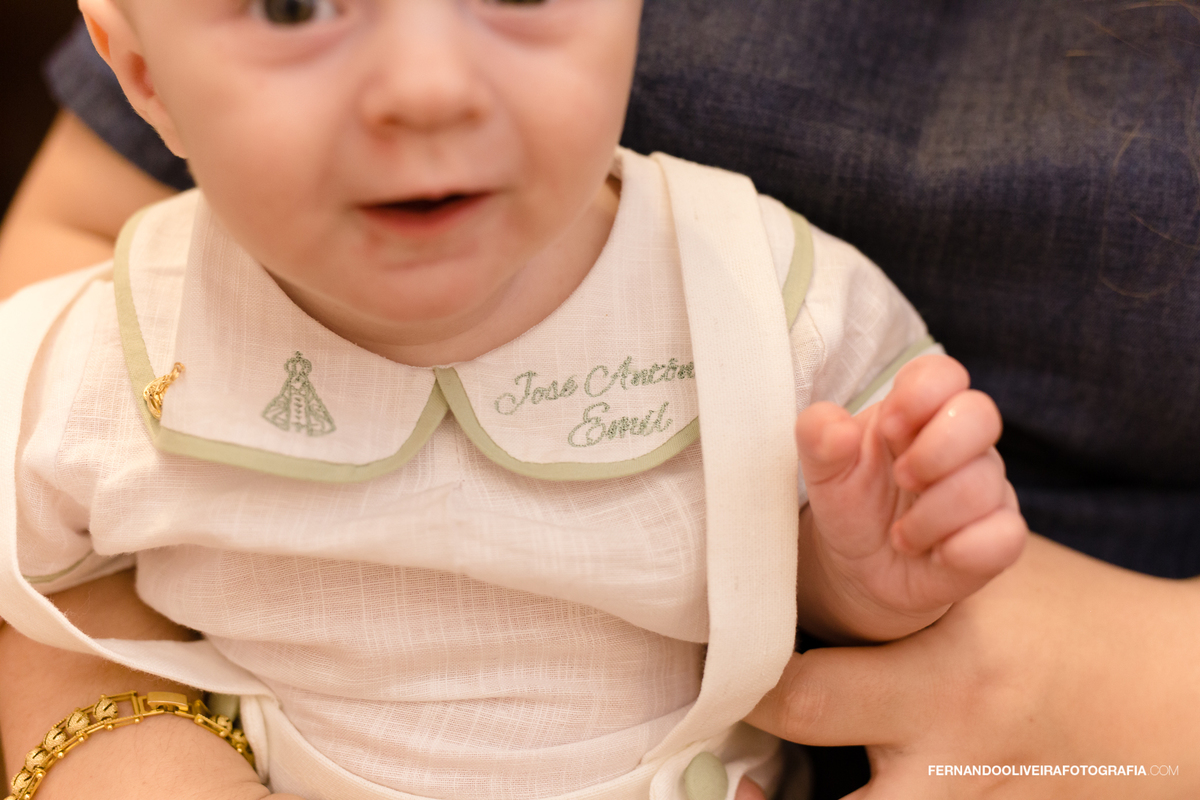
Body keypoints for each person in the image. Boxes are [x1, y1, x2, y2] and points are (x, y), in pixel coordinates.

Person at [0, 2, 1024, 800]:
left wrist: (858, 576)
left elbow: (781, 569)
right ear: (141, 72)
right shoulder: (109, 357)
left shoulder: (764, 298)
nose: (429, 91)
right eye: (294, 6)